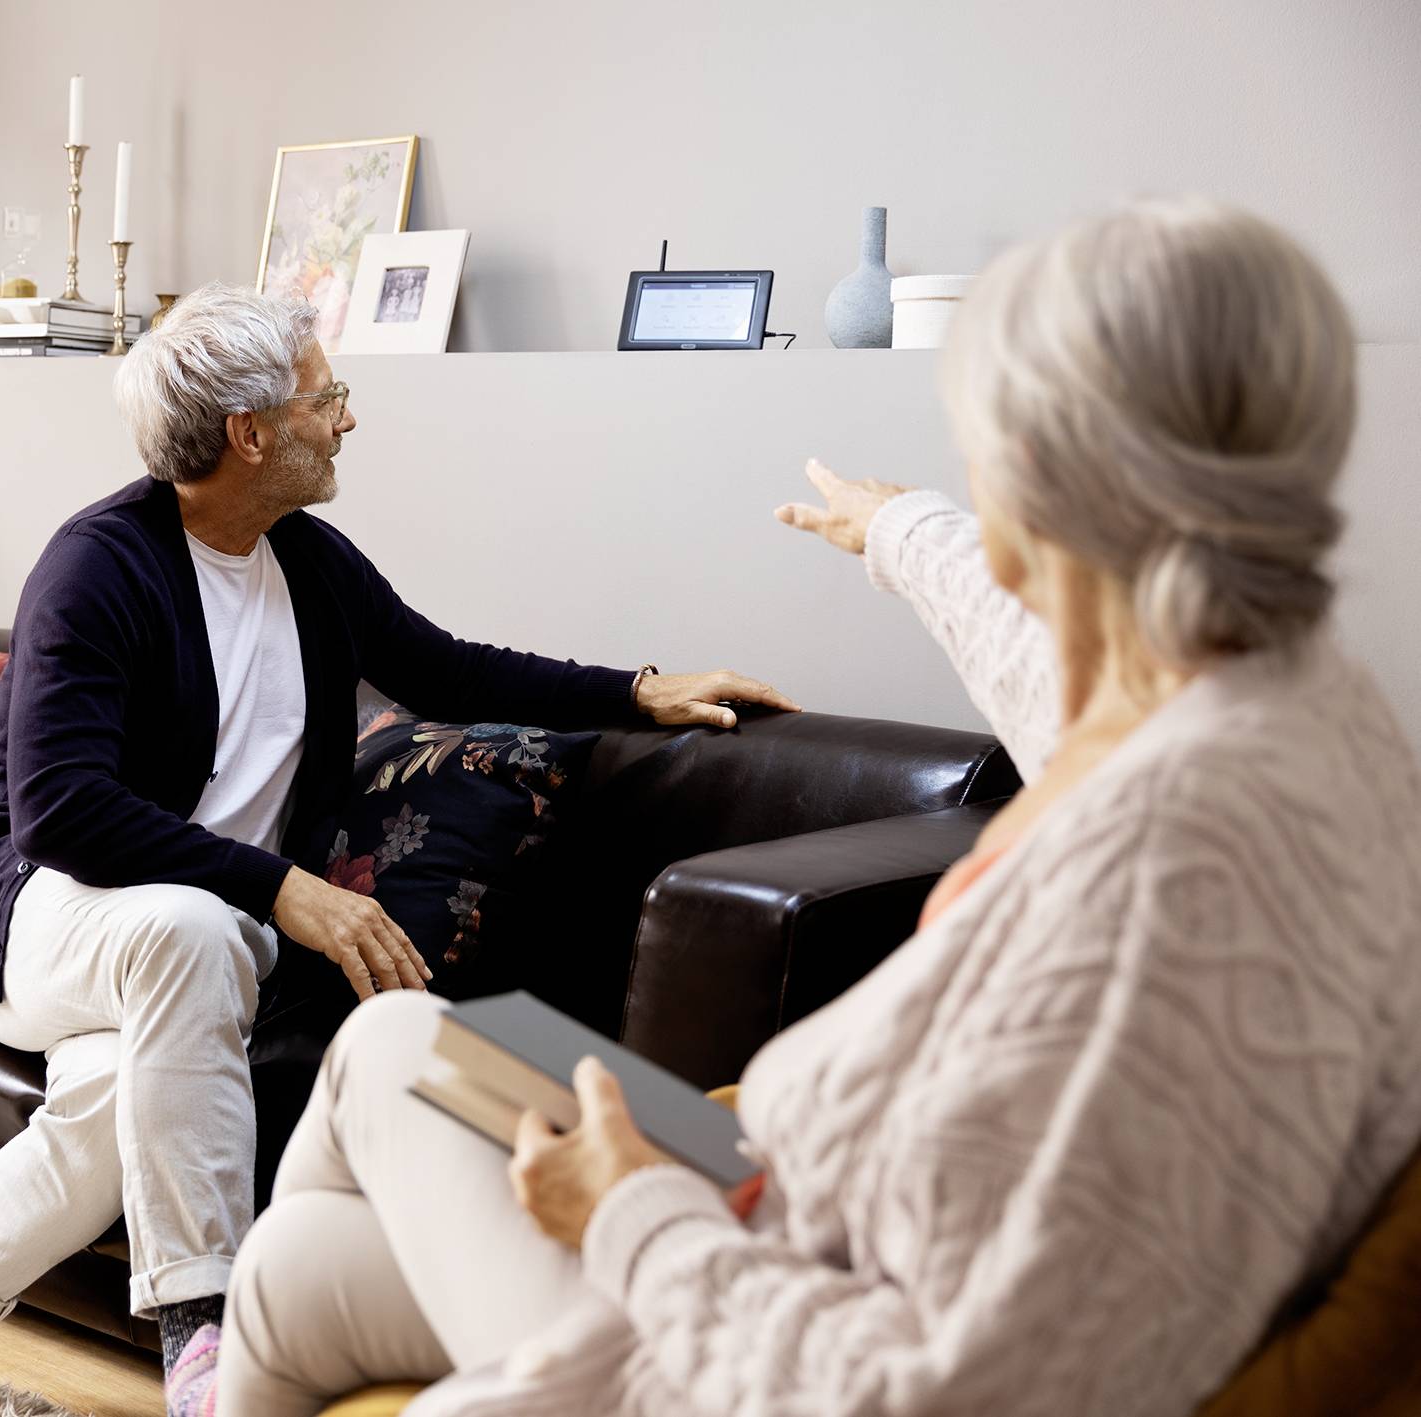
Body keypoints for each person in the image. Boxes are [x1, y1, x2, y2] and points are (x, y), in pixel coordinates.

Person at [215, 198, 1421, 1417]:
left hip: (760, 1326)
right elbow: (1055, 673)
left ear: (1054, 483)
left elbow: (951, 1390)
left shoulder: (1171, 871)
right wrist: (900, 532)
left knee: (370, 1072)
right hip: (771, 1224)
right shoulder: (1283, 699)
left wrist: (632, 1208)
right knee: (288, 1261)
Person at [0, 282, 796, 1417]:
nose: (346, 416)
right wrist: (281, 889)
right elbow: (58, 810)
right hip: (43, 913)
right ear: (250, 432)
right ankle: (201, 1339)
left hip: (192, 949)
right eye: (326, 395)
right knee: (190, 929)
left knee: (114, 1104)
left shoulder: (307, 563)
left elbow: (454, 672)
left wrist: (639, 688)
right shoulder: (97, 567)